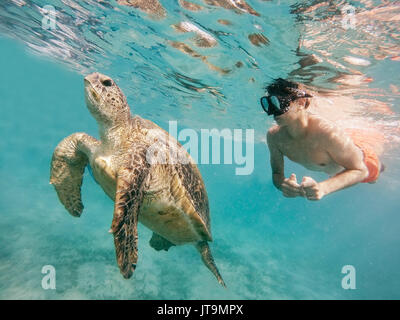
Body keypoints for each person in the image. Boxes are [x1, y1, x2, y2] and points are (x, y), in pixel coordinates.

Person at [262, 78, 383, 201]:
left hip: (365, 160)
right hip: (336, 168)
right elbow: (277, 174)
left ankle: (380, 167)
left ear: (301, 102)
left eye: (278, 103)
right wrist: (283, 185)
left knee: (373, 179)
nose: (273, 112)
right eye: (268, 104)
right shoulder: (274, 137)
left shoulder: (326, 133)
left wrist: (323, 188)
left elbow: (360, 170)